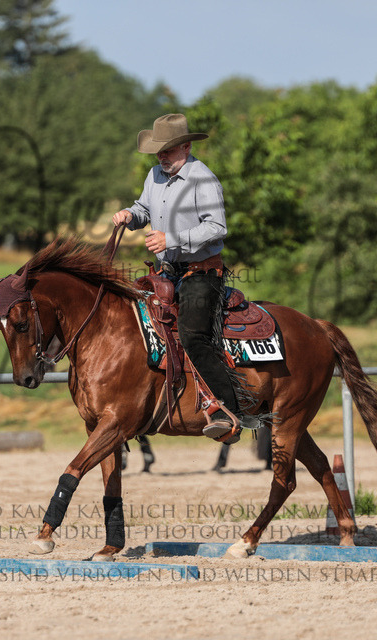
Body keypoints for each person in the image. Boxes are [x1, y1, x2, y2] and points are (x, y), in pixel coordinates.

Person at [112, 113, 241, 443]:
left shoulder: (204, 180)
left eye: (167, 150)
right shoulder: (154, 174)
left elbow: (217, 227)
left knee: (193, 335)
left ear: (185, 146)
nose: (161, 156)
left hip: (201, 273)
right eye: (158, 150)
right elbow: (144, 207)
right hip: (165, 274)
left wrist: (171, 239)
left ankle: (228, 411)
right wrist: (131, 215)